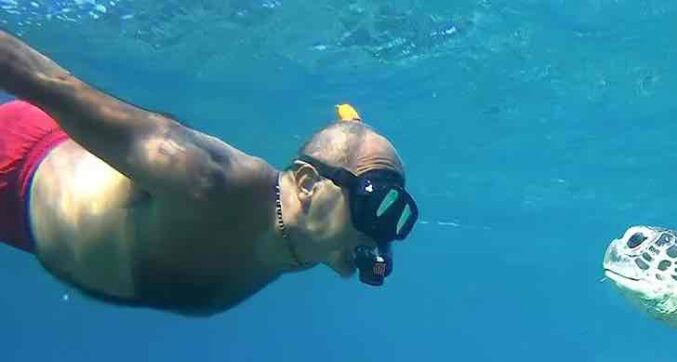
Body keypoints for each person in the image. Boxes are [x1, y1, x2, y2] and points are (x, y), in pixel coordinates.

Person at [0, 29, 417, 317]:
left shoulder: (308, 244)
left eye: (391, 221)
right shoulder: (207, 179)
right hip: (18, 158)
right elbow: (48, 83)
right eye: (372, 206)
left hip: (32, 222)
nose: (380, 240)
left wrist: (355, 133)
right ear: (307, 184)